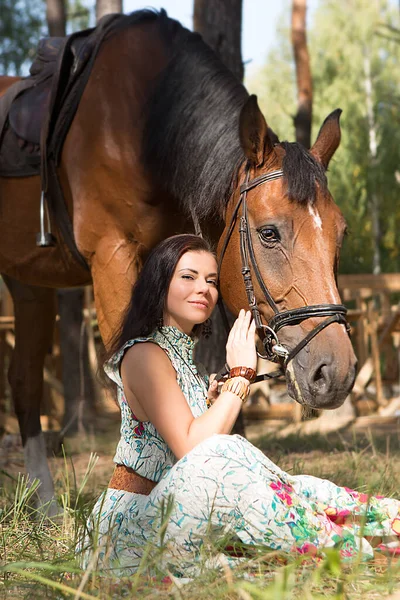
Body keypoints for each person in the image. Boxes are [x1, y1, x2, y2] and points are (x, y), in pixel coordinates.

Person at [81, 234, 400, 576]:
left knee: (297, 485)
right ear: (159, 284)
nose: (203, 288)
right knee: (229, 458)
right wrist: (241, 375)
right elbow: (196, 451)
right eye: (188, 276)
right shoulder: (144, 354)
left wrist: (216, 400)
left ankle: (389, 524)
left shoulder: (182, 359)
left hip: (175, 513)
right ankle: (353, 551)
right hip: (129, 530)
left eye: (211, 281)